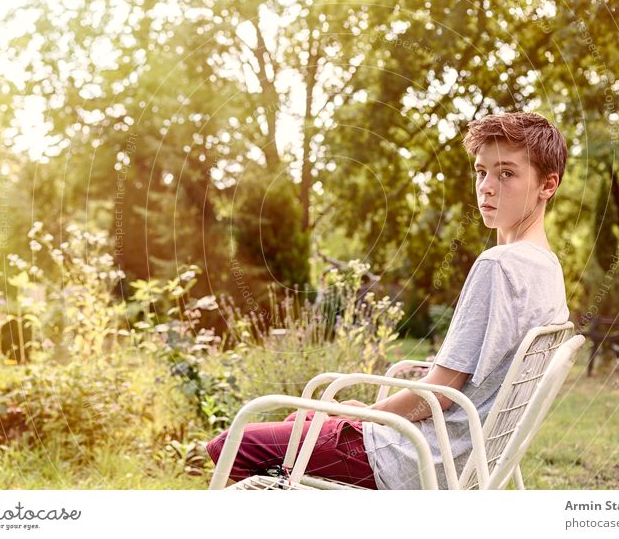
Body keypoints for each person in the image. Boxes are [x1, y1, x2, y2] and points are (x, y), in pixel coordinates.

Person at [206, 111, 570, 489]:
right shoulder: (548, 271)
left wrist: (369, 417)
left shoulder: (499, 265)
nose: (487, 187)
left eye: (506, 173)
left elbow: (438, 396)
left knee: (231, 444)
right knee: (306, 424)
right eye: (481, 172)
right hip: (463, 461)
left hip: (412, 459)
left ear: (548, 185)